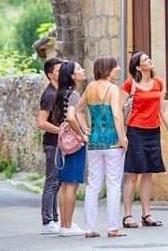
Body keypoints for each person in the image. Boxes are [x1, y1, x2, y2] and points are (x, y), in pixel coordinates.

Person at [71, 56, 128, 238]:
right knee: (113, 186)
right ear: (107, 69)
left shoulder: (89, 88)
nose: (118, 69)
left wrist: (86, 129)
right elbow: (117, 116)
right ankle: (112, 228)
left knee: (93, 186)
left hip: (95, 142)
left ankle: (89, 228)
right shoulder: (112, 89)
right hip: (112, 141)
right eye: (115, 66)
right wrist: (122, 138)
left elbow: (78, 110)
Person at [121, 52, 168, 229]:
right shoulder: (130, 84)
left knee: (148, 173)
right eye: (145, 59)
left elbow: (163, 109)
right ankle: (127, 215)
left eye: (148, 58)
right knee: (133, 174)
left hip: (153, 131)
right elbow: (119, 109)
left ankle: (146, 214)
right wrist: (122, 135)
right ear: (138, 67)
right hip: (135, 131)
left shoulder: (158, 83)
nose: (149, 60)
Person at [51, 60, 89, 237]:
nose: (83, 70)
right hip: (74, 143)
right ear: (72, 76)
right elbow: (72, 118)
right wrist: (82, 136)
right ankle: (67, 226)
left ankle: (64, 224)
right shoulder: (73, 94)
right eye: (79, 69)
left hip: (63, 142)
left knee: (64, 185)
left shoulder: (60, 93)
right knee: (72, 185)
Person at [36, 57, 64, 234]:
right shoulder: (49, 95)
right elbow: (41, 122)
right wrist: (60, 131)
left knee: (57, 182)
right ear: (50, 74)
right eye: (59, 71)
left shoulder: (58, 92)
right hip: (52, 144)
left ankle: (54, 218)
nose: (63, 73)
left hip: (59, 144)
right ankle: (47, 221)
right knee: (52, 182)